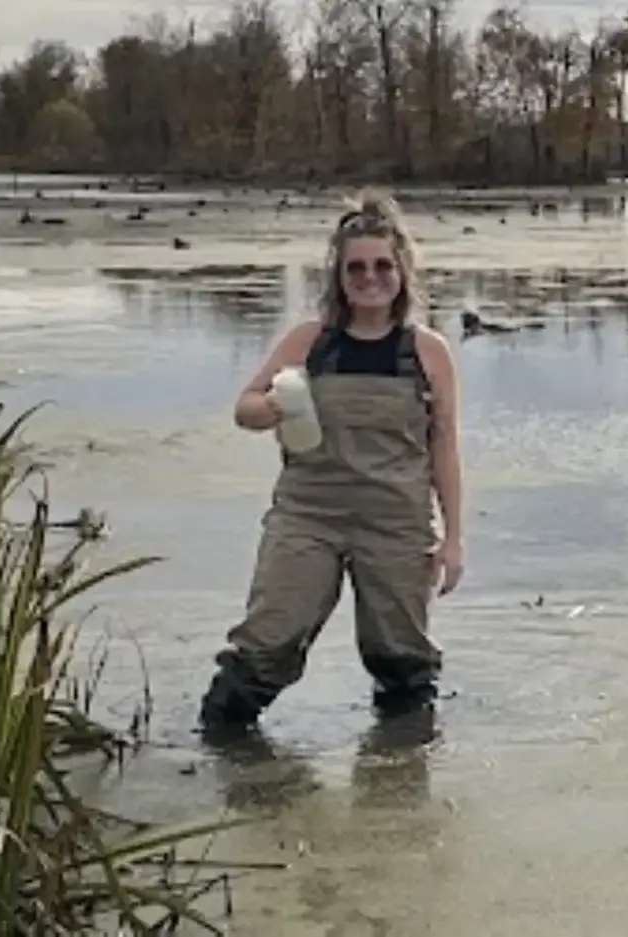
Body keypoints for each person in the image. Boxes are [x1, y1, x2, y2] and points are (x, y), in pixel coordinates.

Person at [199, 190, 465, 732]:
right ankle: (225, 765)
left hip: (396, 522)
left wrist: (454, 537)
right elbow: (244, 410)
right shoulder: (310, 342)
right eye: (356, 268)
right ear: (339, 276)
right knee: (264, 648)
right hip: (307, 517)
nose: (370, 278)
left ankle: (396, 792)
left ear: (403, 271)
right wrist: (272, 405)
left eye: (382, 265)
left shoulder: (428, 352)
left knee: (402, 663)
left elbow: (445, 447)